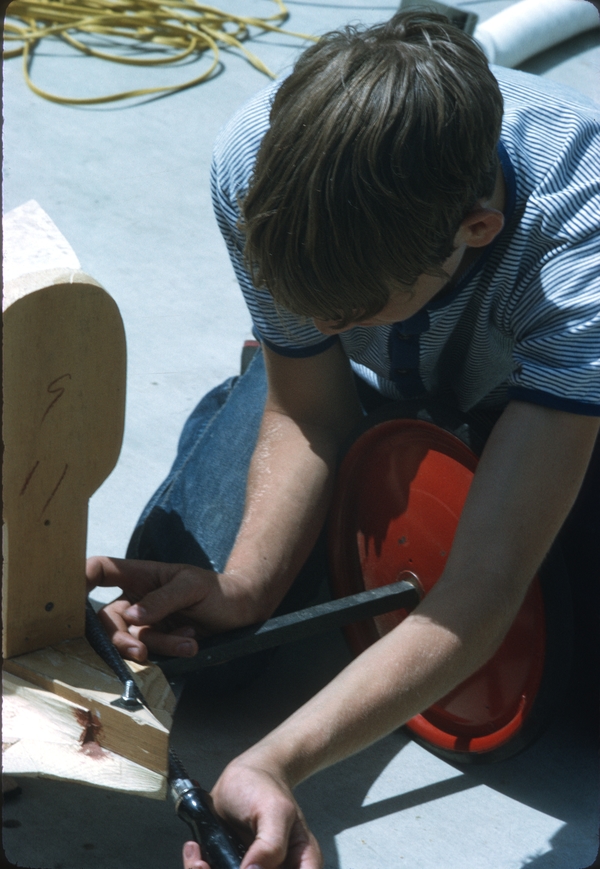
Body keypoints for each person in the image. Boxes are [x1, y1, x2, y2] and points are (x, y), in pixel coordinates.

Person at [86, 11, 600, 868]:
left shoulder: (579, 250)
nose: (319, 322)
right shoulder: (258, 160)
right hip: (346, 398)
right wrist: (246, 587)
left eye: (347, 311)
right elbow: (311, 405)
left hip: (535, 407)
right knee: (186, 649)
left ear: (476, 229)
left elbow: (483, 585)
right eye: (302, 301)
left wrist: (277, 759)